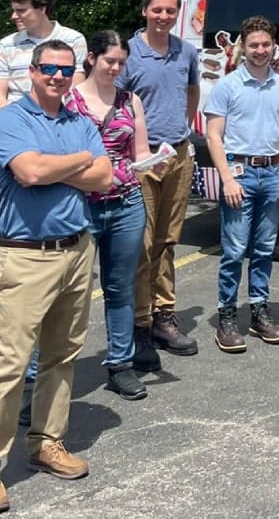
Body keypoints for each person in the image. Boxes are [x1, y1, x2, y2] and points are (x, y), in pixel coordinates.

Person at [0, 39, 112, 505]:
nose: (57, 76)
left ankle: (46, 442)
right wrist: (79, 163)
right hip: (24, 256)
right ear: (32, 70)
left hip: (76, 250)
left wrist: (58, 168)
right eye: (48, 68)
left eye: (65, 70)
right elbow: (28, 171)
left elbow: (105, 178)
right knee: (8, 364)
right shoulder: (10, 119)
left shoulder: (79, 121)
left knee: (62, 355)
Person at [204, 15, 279, 352]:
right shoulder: (227, 86)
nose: (260, 50)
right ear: (243, 47)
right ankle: (227, 315)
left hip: (272, 174)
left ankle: (259, 310)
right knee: (233, 250)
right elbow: (213, 136)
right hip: (239, 173)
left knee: (264, 248)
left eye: (265, 44)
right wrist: (227, 178)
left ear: (274, 47)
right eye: (253, 44)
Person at [65, 31, 152, 399]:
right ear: (91, 59)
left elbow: (141, 152)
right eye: (109, 61)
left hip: (126, 205)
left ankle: (120, 365)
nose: (115, 69)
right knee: (66, 295)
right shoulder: (67, 100)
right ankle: (39, 379)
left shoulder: (130, 101)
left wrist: (154, 164)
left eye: (120, 63)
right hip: (79, 207)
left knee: (120, 289)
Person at [120, 0, 201, 370]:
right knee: (142, 244)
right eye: (157, 10)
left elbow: (191, 93)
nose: (164, 17)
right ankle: (138, 324)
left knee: (168, 241)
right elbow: (118, 108)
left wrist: (180, 133)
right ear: (144, 11)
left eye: (170, 11)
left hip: (177, 154)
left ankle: (163, 316)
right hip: (142, 158)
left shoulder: (186, 51)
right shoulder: (129, 54)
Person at [0, 0, 86, 103]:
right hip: (16, 116)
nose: (14, 16)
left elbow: (75, 91)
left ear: (42, 8)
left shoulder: (73, 40)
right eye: (14, 10)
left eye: (21, 10)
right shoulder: (6, 45)